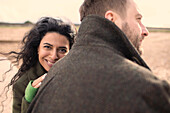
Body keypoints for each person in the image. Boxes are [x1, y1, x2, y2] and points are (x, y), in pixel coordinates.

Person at [27, 0, 170, 113]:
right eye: (138, 19)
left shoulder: (55, 72)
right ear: (111, 19)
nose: (145, 31)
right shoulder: (147, 88)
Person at [1, 17, 76, 113]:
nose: (54, 56)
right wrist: (28, 100)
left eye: (62, 50)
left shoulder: (77, 78)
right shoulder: (22, 84)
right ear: (38, 48)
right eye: (47, 47)